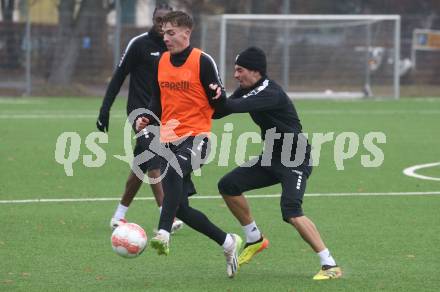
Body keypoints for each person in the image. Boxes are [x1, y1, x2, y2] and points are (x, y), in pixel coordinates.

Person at [210, 47, 343, 280]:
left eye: (240, 70)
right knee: (228, 186)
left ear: (255, 71)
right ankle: (254, 239)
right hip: (272, 156)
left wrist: (217, 93)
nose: (236, 75)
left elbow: (232, 107)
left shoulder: (270, 93)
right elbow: (219, 113)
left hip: (295, 159)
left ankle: (330, 265)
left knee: (292, 211)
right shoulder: (248, 89)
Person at [135, 11, 242, 278]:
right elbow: (157, 101)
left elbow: (221, 104)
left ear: (186, 33)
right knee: (182, 207)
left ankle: (162, 231)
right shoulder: (161, 62)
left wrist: (220, 97)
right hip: (169, 138)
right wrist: (147, 117)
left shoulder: (202, 61)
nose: (166, 37)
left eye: (171, 33)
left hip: (198, 137)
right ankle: (228, 242)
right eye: (164, 33)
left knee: (171, 171)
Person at [96, 4, 183, 233]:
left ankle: (119, 215)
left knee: (140, 163)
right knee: (154, 158)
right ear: (153, 20)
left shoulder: (174, 48)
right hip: (139, 113)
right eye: (158, 19)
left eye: (166, 21)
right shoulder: (139, 44)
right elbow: (118, 77)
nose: (161, 24)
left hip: (163, 115)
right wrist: (105, 109)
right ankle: (167, 216)